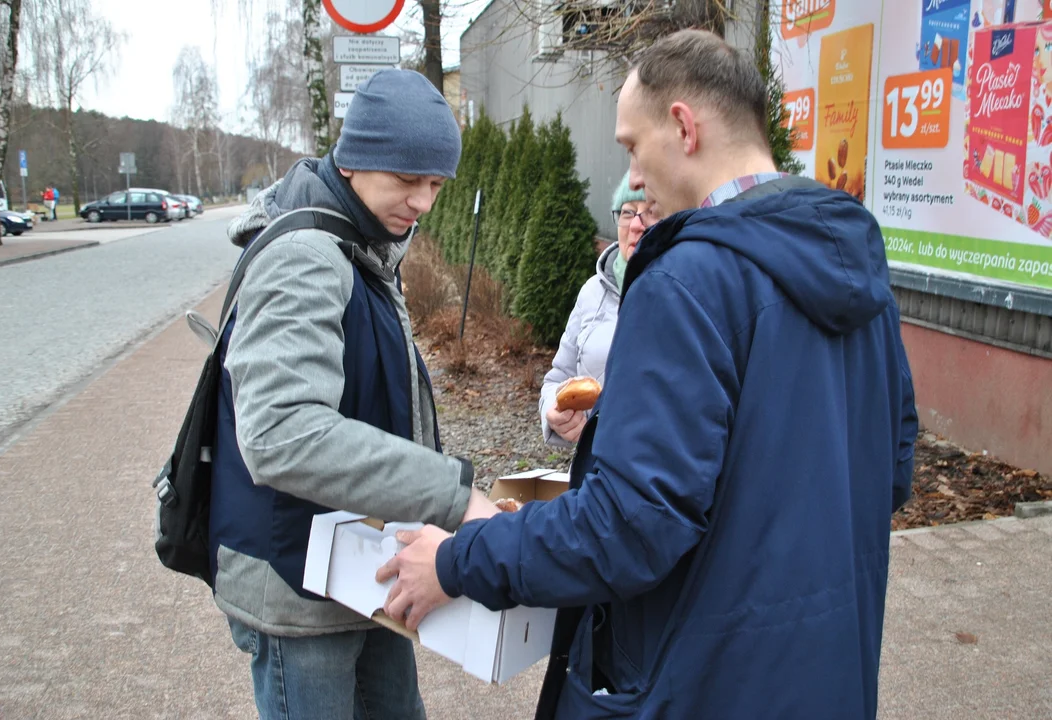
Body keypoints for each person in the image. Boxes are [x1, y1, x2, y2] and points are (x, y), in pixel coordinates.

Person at [377, 29, 918, 720]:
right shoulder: (856, 271)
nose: (631, 176)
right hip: (830, 679)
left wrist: (457, 560)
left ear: (684, 127)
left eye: (632, 145)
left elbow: (629, 529)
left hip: (701, 684)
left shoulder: (688, 278)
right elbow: (887, 475)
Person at [209, 69, 497, 720]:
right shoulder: (307, 253)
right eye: (407, 180)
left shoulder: (363, 242)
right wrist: (454, 495)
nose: (423, 202)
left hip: (354, 570)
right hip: (295, 586)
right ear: (356, 160)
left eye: (436, 183)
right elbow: (282, 436)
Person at [539, 171, 658, 447]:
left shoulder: (684, 293)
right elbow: (557, 379)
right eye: (628, 212)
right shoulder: (594, 291)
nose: (636, 225)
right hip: (592, 470)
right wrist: (552, 413)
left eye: (650, 212)